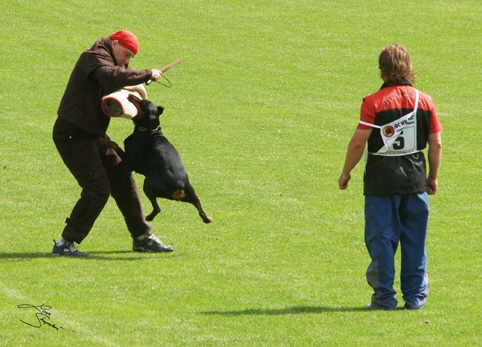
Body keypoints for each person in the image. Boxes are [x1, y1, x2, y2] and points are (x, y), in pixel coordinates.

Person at [338, 44, 442, 310]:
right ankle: (415, 299)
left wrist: (346, 171)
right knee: (415, 241)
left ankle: (384, 298)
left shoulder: (373, 102)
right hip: (415, 179)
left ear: (382, 70)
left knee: (381, 239)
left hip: (381, 180)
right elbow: (436, 145)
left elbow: (359, 143)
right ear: (408, 67)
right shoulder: (425, 100)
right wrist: (432, 177)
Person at [52, 30, 173, 256]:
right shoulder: (94, 57)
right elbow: (111, 76)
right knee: (97, 188)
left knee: (122, 175)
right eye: (126, 55)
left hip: (94, 135)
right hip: (72, 135)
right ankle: (65, 243)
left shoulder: (110, 59)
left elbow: (120, 78)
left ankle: (141, 237)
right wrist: (146, 74)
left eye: (130, 59)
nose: (126, 62)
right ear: (114, 44)